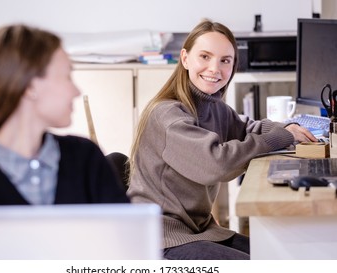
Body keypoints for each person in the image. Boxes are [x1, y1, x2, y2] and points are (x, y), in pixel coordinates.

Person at [127, 19, 317, 260]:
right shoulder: (168, 115)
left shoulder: (213, 106)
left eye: (225, 60)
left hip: (199, 230)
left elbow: (248, 128)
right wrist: (280, 137)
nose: (215, 68)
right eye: (204, 57)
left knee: (282, 257)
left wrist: (287, 127)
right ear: (185, 58)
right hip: (161, 239)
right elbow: (216, 163)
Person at [0, 24, 129, 260]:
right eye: (66, 76)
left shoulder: (85, 158)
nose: (75, 90)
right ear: (31, 86)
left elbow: (126, 251)